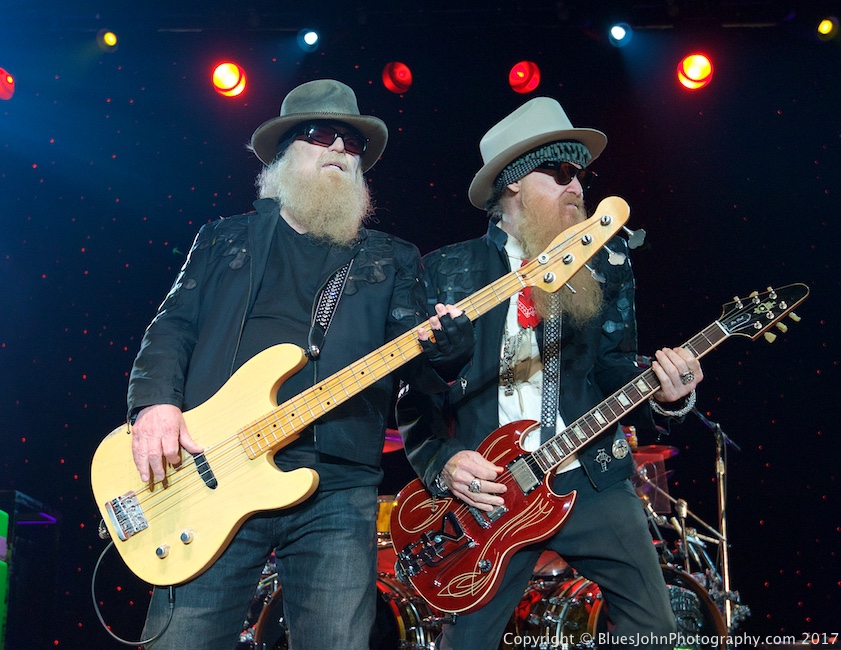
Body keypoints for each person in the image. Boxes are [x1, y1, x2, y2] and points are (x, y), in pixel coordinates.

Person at [126, 79, 472, 649]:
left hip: (336, 486)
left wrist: (449, 347)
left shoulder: (391, 257)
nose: (340, 148)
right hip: (213, 468)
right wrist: (156, 405)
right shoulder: (222, 240)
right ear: (287, 151)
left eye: (353, 144)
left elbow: (418, 369)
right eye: (322, 134)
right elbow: (172, 326)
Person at [398, 97, 704, 649]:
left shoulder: (606, 262)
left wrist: (667, 391)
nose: (576, 186)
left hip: (591, 477)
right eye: (558, 172)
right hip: (493, 495)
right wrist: (445, 465)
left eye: (579, 174)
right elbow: (413, 396)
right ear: (512, 184)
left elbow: (615, 366)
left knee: (656, 633)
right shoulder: (447, 269)